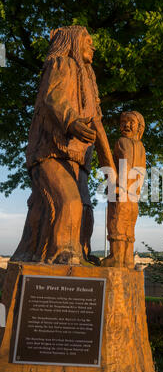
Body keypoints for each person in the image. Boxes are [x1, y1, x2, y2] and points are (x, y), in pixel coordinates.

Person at [11, 25, 103, 264]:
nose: (93, 46)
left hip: (78, 158)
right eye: (87, 40)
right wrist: (71, 121)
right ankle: (63, 254)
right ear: (73, 41)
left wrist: (110, 163)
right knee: (68, 201)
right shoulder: (63, 64)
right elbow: (54, 98)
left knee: (85, 211)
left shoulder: (90, 80)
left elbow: (97, 122)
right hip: (50, 152)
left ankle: (79, 252)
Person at [101, 111, 146, 268]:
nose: (126, 124)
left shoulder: (121, 142)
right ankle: (126, 259)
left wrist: (118, 186)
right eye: (123, 122)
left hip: (123, 191)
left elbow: (124, 165)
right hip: (133, 194)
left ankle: (117, 257)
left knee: (117, 222)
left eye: (130, 122)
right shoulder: (141, 147)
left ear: (140, 127)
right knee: (128, 225)